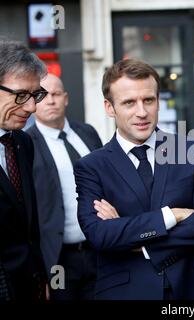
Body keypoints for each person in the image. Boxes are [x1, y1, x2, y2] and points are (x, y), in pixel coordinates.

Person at [74, 59, 194, 300]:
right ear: (109, 107)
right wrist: (173, 215)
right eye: (129, 103)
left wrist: (137, 240)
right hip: (127, 292)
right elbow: (100, 235)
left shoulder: (191, 151)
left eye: (149, 100)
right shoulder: (92, 167)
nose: (142, 112)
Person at [27, 73, 103, 300]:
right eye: (42, 95)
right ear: (33, 102)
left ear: (66, 98)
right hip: (58, 260)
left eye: (56, 94)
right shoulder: (26, 144)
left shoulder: (87, 133)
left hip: (99, 252)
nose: (50, 100)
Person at [0, 39, 48, 300]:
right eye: (20, 95)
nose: (31, 107)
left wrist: (41, 277)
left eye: (36, 95)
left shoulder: (22, 142)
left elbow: (29, 228)